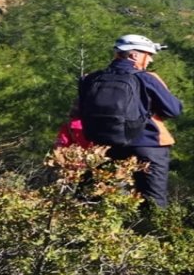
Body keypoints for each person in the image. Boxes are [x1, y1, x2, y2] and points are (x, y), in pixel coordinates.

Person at [77, 34, 183, 207]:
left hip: (103, 146)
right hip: (148, 144)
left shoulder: (90, 79)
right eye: (148, 55)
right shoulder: (147, 78)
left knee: (91, 197)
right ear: (134, 55)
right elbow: (173, 110)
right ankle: (151, 232)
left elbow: (81, 110)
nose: (150, 60)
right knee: (152, 202)